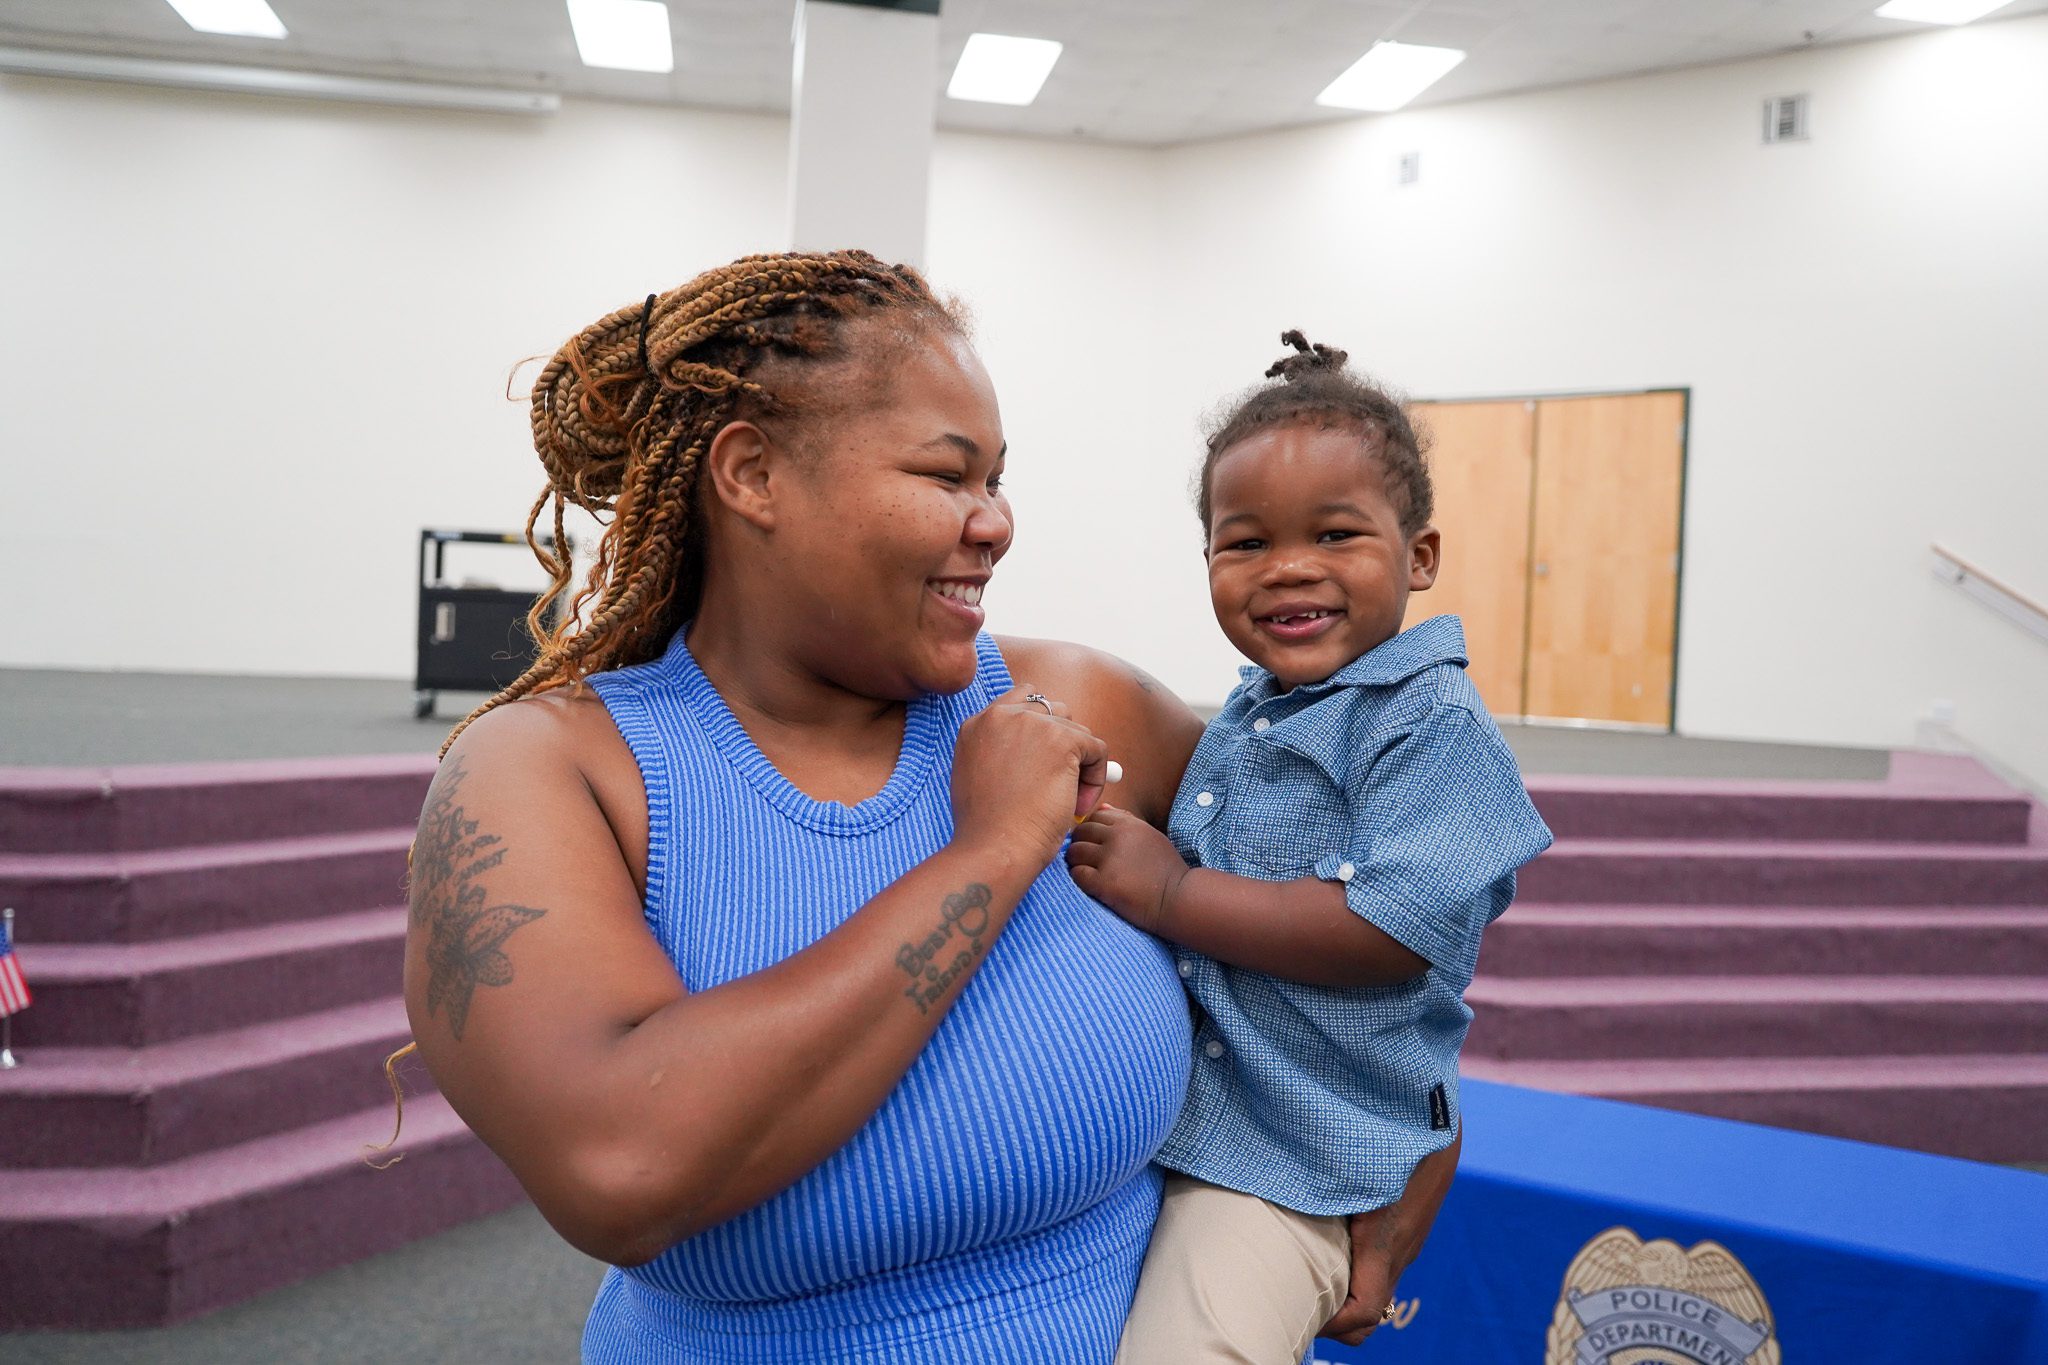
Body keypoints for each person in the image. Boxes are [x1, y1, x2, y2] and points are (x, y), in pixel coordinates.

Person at [402, 255, 1456, 1363]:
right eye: (948, 475)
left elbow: (1369, 899)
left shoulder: (1082, 704)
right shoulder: (546, 772)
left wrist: (1420, 1115)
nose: (995, 522)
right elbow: (620, 1167)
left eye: (996, 479)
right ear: (752, 474)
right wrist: (991, 849)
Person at [1068, 332, 1553, 1365]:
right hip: (1196, 1129)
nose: (1288, 566)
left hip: (1299, 1164)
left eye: (1335, 534)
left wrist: (1172, 895)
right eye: (1244, 543)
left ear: (1419, 556)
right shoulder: (1255, 713)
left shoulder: (1428, 724)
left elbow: (1389, 930)